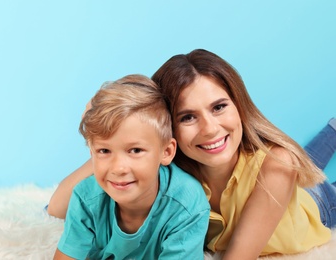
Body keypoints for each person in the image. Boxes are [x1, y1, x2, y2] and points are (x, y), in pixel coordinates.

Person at [48, 49, 336, 259]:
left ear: (239, 105)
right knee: (301, 156)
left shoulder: (277, 165)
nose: (210, 129)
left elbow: (237, 256)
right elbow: (56, 209)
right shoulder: (166, 170)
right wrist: (112, 133)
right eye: (187, 117)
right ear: (168, 134)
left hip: (319, 207)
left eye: (219, 107)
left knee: (296, 161)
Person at [53, 74, 210, 260]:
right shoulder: (86, 198)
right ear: (91, 153)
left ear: (166, 152)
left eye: (135, 150)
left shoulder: (186, 204)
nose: (119, 168)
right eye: (104, 151)